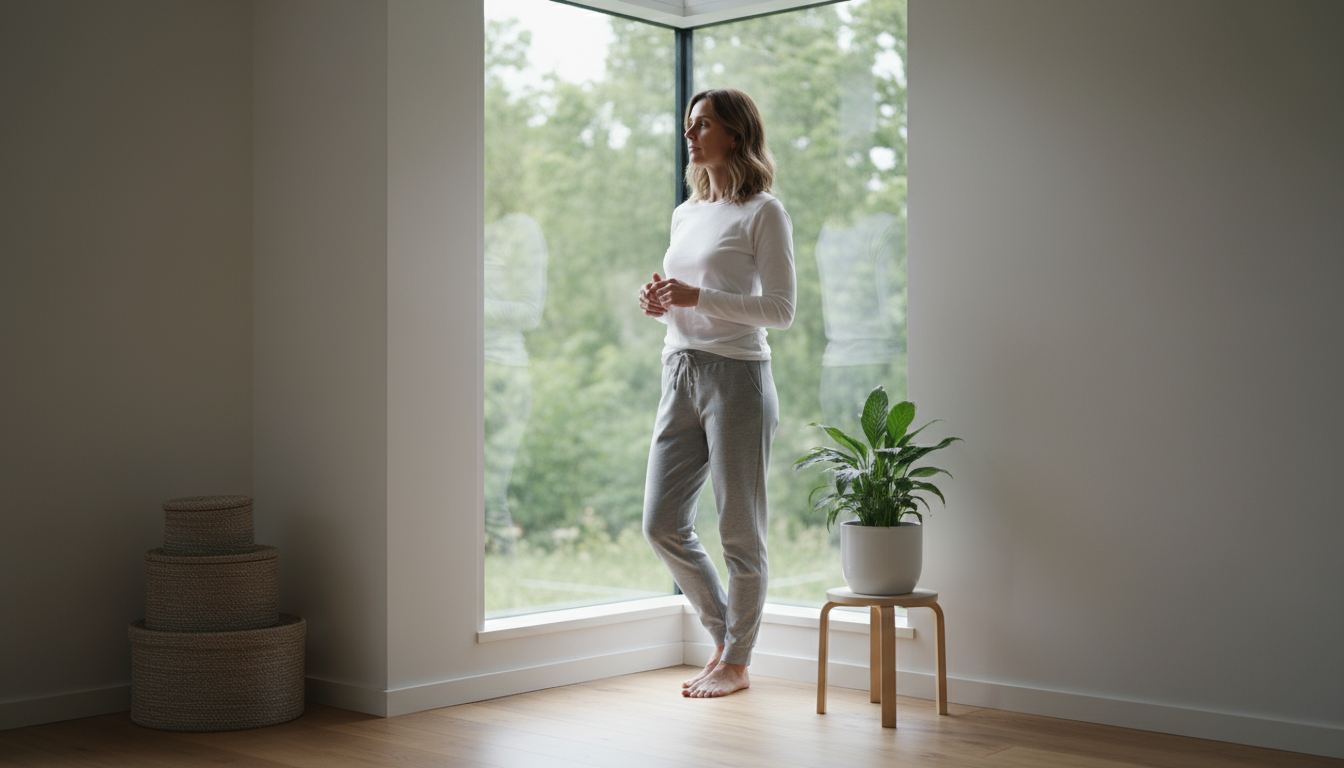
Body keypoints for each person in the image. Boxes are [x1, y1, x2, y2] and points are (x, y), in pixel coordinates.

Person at [637, 88, 795, 698]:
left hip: (737, 378)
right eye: (688, 124)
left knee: (738, 529)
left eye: (703, 124)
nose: (691, 134)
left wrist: (694, 298)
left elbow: (780, 310)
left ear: (735, 132)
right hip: (678, 371)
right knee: (661, 523)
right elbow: (682, 298)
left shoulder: (763, 212)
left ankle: (736, 659)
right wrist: (659, 305)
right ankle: (726, 639)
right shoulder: (687, 212)